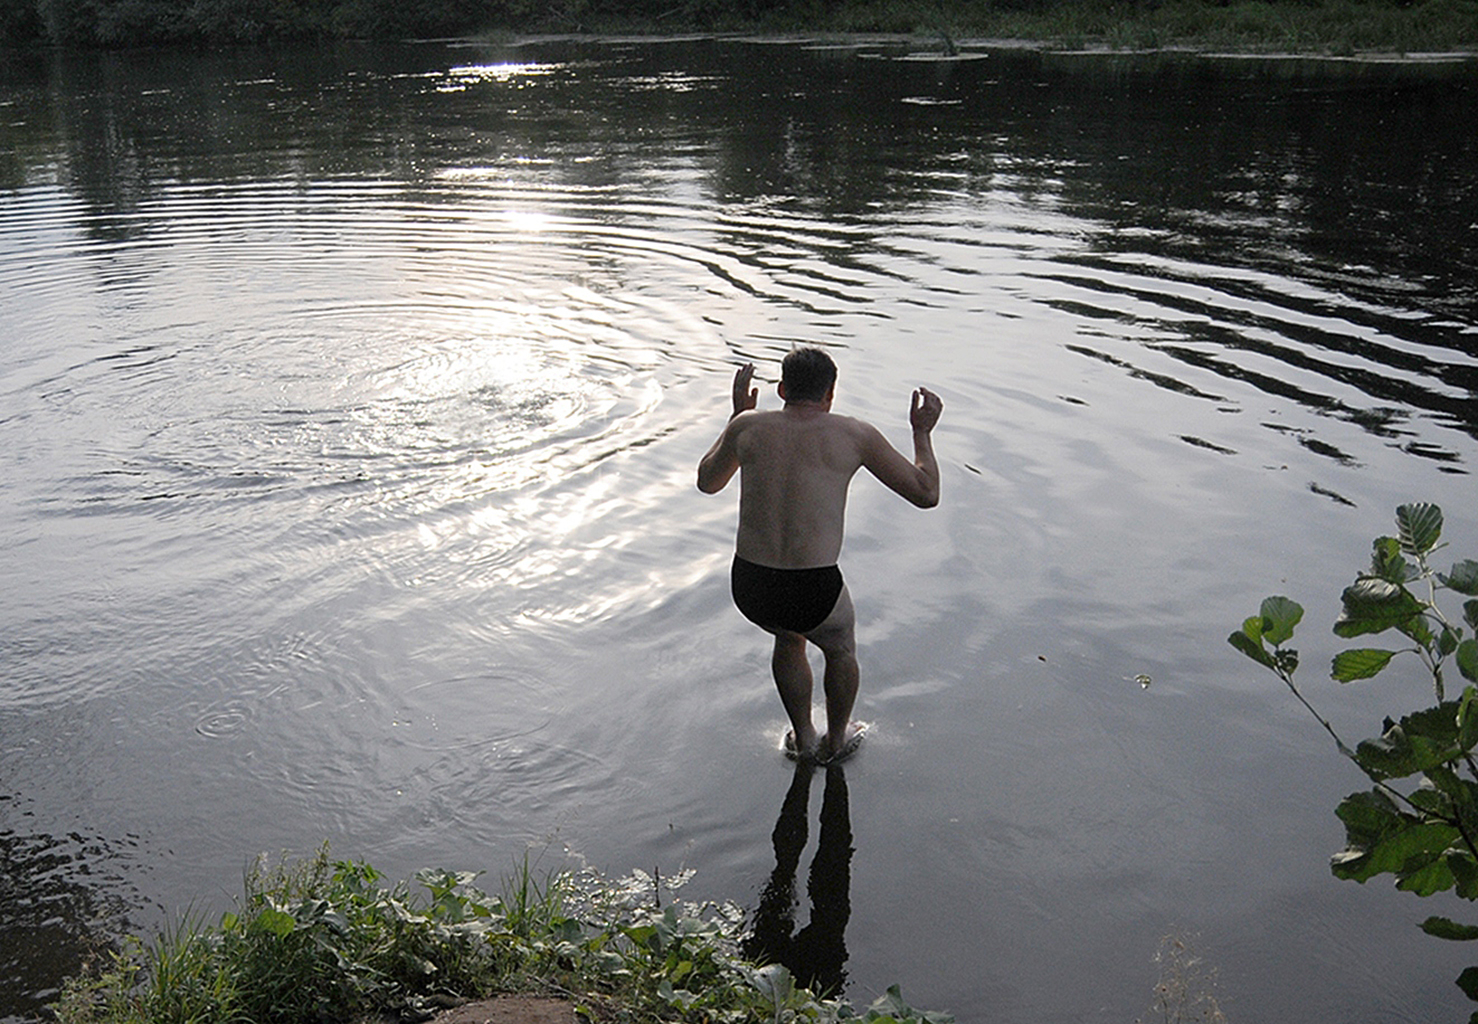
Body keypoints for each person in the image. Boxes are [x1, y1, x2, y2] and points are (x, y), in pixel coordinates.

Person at [697, 347, 943, 763]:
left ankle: (804, 736)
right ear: (830, 394)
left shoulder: (747, 427)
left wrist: (735, 418)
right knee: (840, 648)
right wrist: (922, 432)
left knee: (787, 636)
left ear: (781, 389)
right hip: (813, 587)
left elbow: (708, 482)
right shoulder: (854, 434)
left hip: (750, 584)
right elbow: (926, 494)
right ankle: (835, 741)